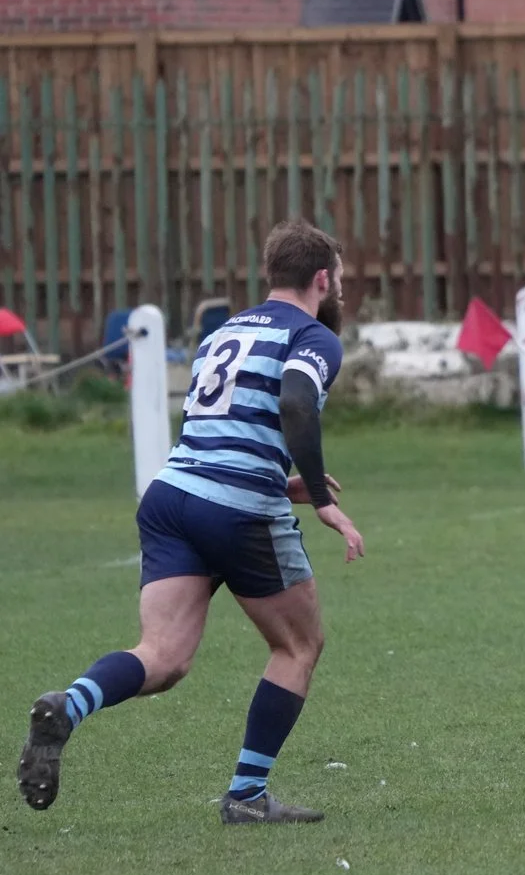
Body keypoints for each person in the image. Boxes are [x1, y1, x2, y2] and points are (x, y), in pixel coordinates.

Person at [18, 219, 365, 823]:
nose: (339, 288)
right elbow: (294, 401)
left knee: (163, 656)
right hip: (235, 508)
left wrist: (277, 477)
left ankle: (69, 705)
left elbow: (220, 425)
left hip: (173, 494)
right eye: (338, 278)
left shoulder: (225, 331)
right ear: (320, 279)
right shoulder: (314, 336)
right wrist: (320, 495)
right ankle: (247, 796)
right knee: (299, 644)